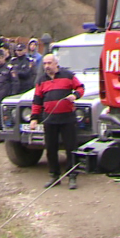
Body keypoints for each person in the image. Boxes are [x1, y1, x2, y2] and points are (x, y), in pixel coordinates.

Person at [28, 53, 84, 190]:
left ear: (56, 64)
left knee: (71, 148)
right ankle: (54, 176)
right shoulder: (41, 80)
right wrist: (34, 118)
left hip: (67, 118)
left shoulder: (68, 75)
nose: (47, 66)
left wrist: (75, 95)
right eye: (45, 64)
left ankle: (72, 176)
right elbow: (37, 101)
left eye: (49, 63)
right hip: (50, 119)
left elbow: (81, 88)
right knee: (51, 149)